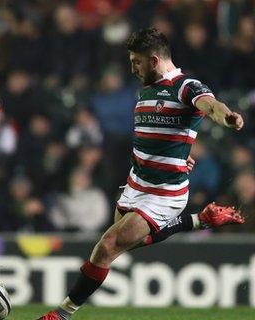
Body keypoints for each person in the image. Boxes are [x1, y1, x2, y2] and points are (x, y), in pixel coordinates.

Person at [37, 28, 245, 320]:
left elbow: (210, 105)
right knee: (125, 242)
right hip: (137, 182)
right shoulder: (147, 89)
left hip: (165, 193)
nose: (132, 68)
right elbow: (159, 136)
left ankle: (62, 313)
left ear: (155, 59)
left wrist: (227, 116)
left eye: (136, 62)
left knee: (107, 247)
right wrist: (176, 157)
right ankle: (200, 220)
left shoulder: (186, 86)